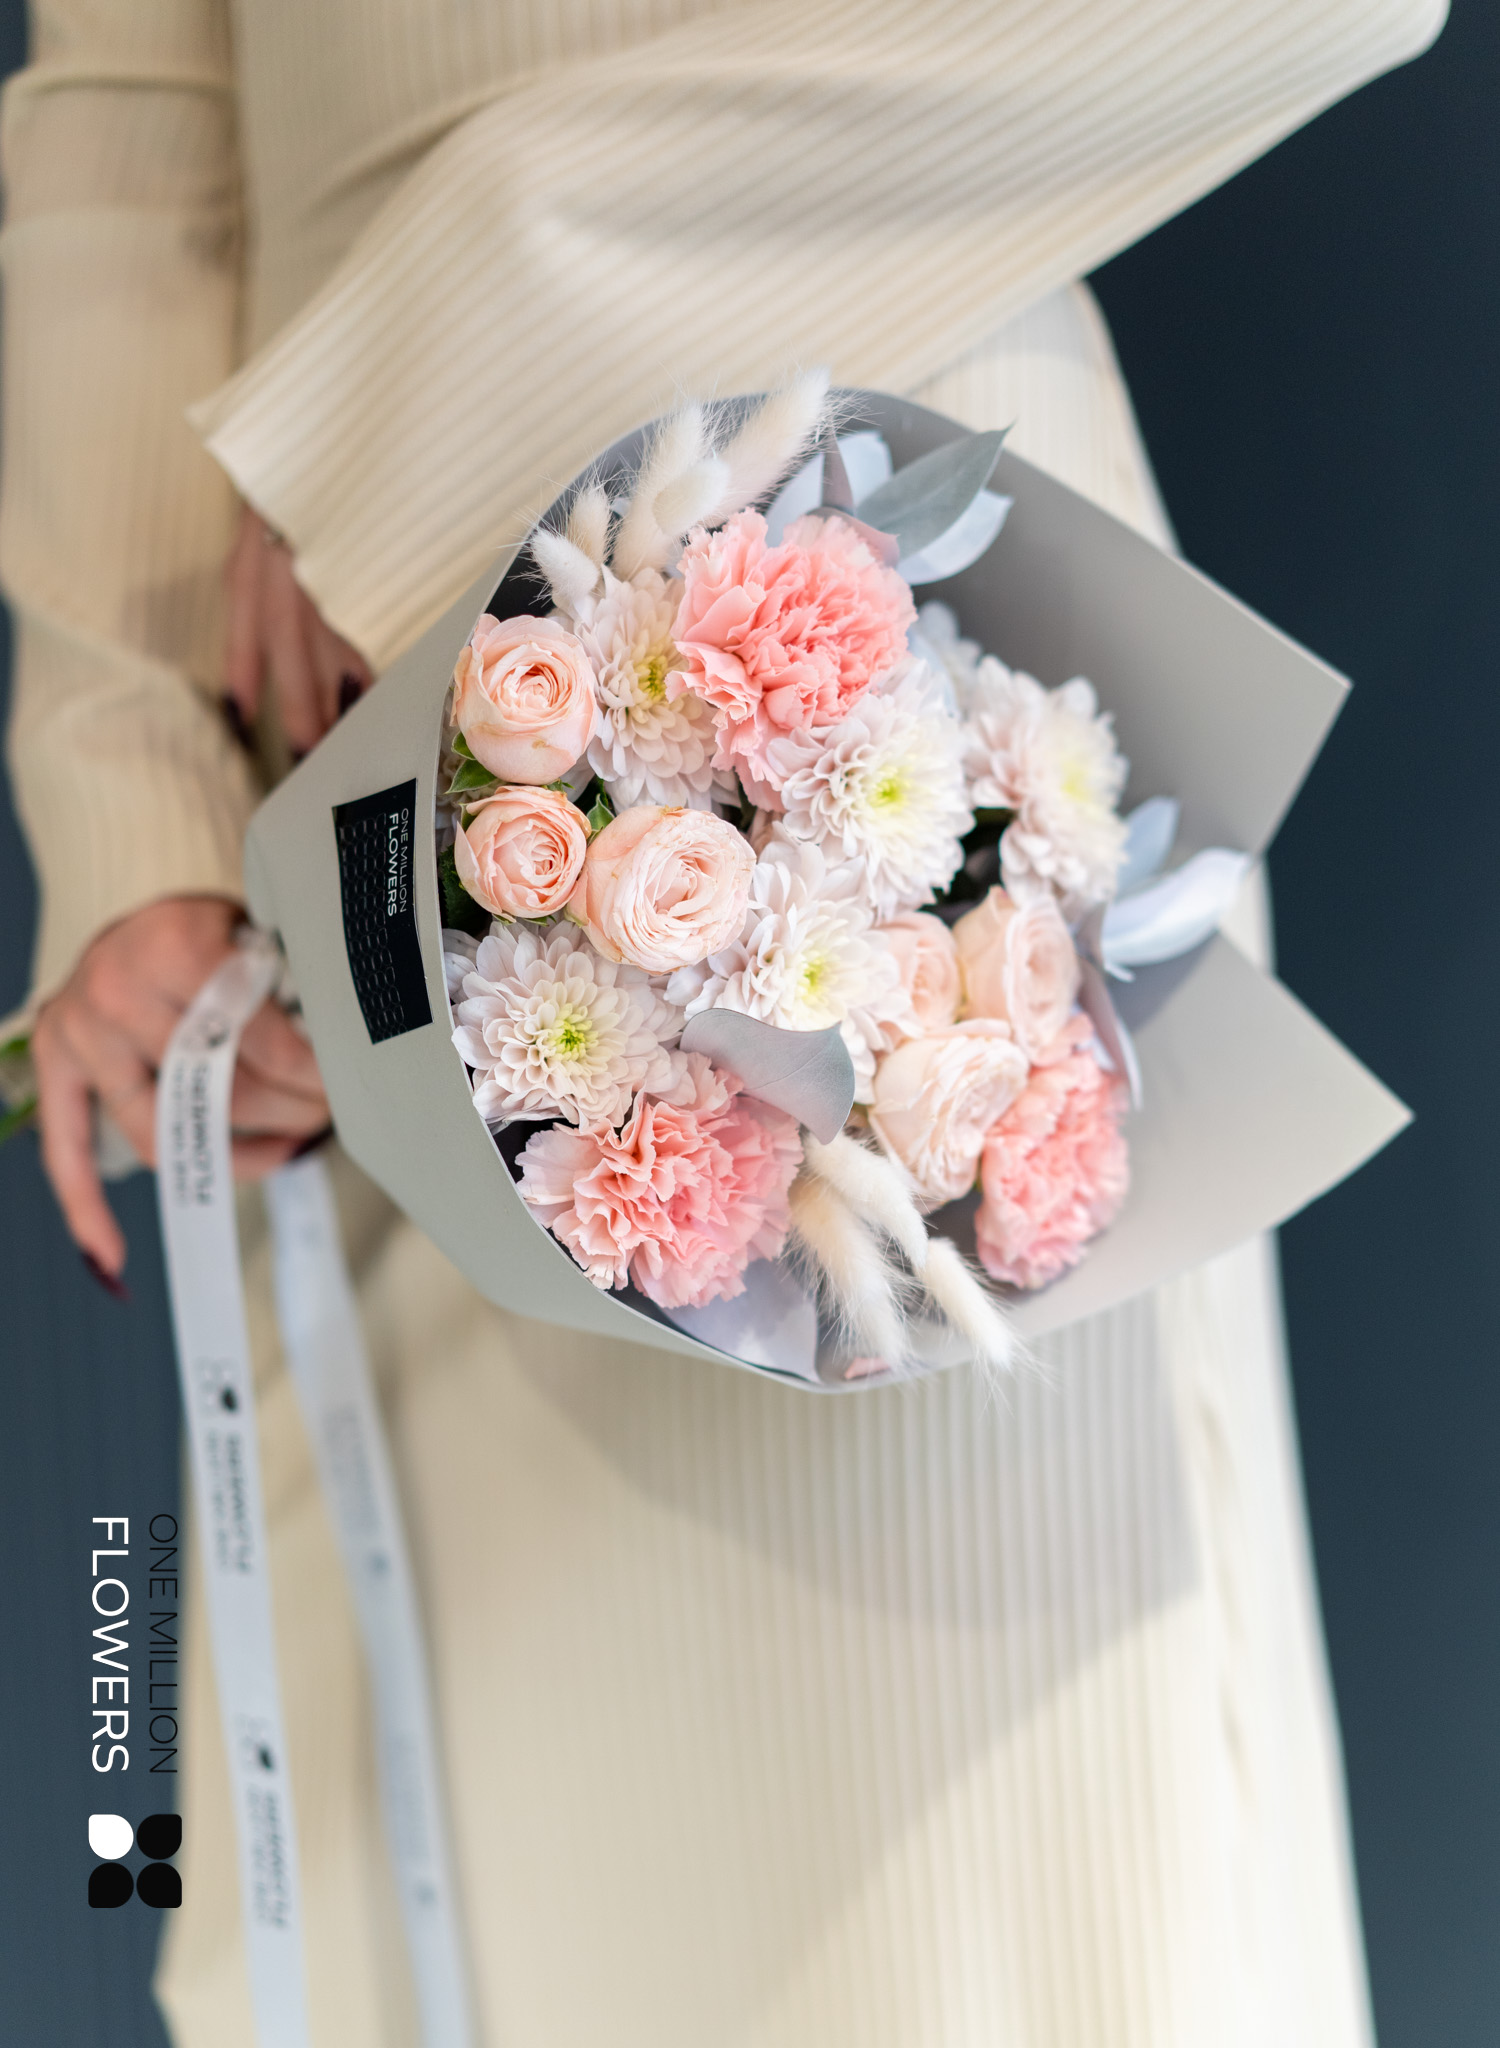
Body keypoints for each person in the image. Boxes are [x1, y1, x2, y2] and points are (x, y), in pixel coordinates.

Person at [0, 2, 1444, 2041]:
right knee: (464, 1899)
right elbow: (134, 101)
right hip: (335, 745)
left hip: (854, 547)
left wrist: (446, 337)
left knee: (965, 1928)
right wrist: (131, 781)